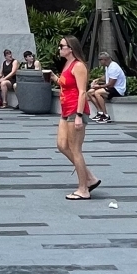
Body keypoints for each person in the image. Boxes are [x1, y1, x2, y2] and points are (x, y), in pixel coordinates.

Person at [53, 36, 99, 200]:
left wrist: (79, 115)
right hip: (66, 109)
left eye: (62, 46)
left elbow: (82, 92)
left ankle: (83, 189)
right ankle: (89, 177)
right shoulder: (67, 64)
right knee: (61, 145)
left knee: (75, 150)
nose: (59, 49)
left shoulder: (78, 66)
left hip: (75, 110)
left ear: (71, 48)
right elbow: (66, 83)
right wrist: (54, 78)